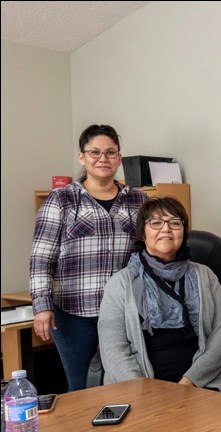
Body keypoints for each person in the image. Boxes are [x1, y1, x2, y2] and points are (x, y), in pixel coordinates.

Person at [29, 124, 149, 391]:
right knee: (81, 387)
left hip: (125, 309)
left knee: (128, 383)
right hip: (75, 312)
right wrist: (42, 307)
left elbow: (148, 252)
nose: (102, 159)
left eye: (110, 152)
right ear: (82, 157)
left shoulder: (138, 200)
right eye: (94, 152)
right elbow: (41, 258)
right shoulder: (61, 200)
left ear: (119, 157)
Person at [98, 196, 221, 391]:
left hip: (200, 386)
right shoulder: (120, 283)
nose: (166, 229)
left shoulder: (205, 275)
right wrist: (144, 390)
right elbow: (113, 350)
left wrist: (189, 382)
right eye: (156, 223)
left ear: (184, 232)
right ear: (143, 233)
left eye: (175, 223)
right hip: (139, 389)